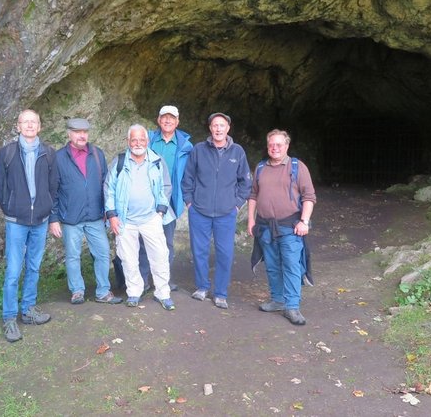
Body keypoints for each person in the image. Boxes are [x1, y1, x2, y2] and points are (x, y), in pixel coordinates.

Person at [112, 105, 193, 292]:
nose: (167, 121)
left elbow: (190, 173)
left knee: (167, 243)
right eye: (164, 117)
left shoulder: (186, 146)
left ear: (177, 122)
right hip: (146, 203)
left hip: (170, 201)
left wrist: (186, 197)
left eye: (171, 118)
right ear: (158, 120)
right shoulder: (148, 139)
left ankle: (163, 280)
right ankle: (143, 280)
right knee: (141, 242)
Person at [0, 109, 57, 343]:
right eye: (25, 122)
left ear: (39, 126)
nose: (30, 125)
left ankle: (28, 309)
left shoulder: (49, 153)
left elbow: (53, 186)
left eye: (34, 121)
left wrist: (45, 208)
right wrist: (11, 208)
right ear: (18, 126)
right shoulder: (7, 153)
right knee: (13, 270)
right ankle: (10, 317)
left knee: (34, 266)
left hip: (39, 221)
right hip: (16, 222)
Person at [182, 112, 251, 309]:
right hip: (200, 211)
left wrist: (236, 204)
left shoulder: (237, 152)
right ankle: (202, 287)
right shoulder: (199, 150)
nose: (218, 129)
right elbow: (188, 178)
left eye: (222, 125)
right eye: (215, 125)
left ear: (228, 128)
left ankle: (220, 293)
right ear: (210, 128)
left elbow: (245, 182)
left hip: (226, 213)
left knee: (225, 253)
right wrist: (189, 203)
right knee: (199, 251)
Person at [49, 118, 122, 305]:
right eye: (77, 131)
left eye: (85, 132)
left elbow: (106, 184)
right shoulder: (58, 157)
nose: (82, 135)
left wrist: (109, 211)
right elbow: (53, 190)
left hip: (95, 215)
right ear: (69, 134)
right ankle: (77, 291)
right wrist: (53, 218)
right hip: (70, 217)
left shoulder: (97, 154)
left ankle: (103, 291)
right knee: (73, 255)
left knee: (103, 253)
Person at [247, 129, 316, 326]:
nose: (274, 148)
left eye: (279, 144)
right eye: (271, 145)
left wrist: (304, 221)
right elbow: (253, 195)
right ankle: (277, 300)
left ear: (286, 146)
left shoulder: (297, 167)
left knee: (292, 265)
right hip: (265, 226)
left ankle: (292, 306)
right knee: (272, 265)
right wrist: (251, 220)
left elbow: (309, 196)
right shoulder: (261, 167)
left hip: (290, 227)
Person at [104, 124, 175, 310]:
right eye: (134, 139)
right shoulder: (119, 162)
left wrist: (160, 211)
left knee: (160, 256)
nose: (138, 143)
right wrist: (112, 215)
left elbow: (165, 188)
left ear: (147, 141)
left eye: (141, 139)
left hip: (151, 217)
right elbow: (109, 189)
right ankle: (134, 292)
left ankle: (163, 293)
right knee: (128, 258)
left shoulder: (157, 161)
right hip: (125, 220)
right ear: (128, 142)